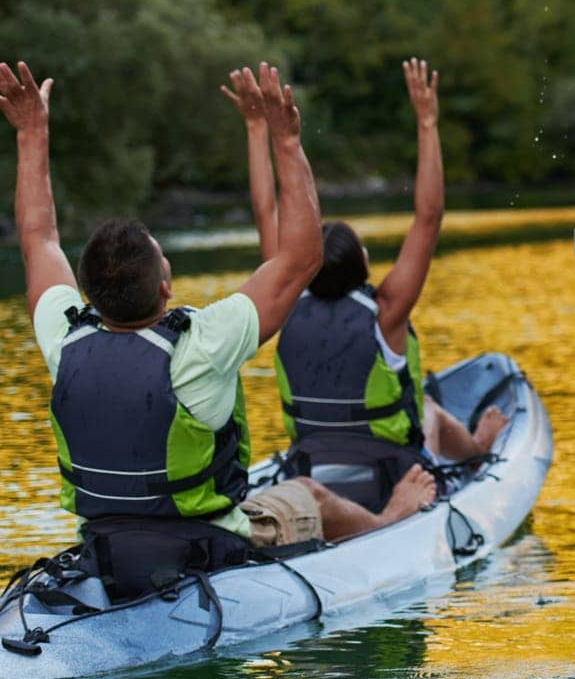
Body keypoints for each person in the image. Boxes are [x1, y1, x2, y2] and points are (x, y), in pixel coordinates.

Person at [0, 60, 436, 574]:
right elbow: (300, 257)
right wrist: (287, 141)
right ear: (165, 287)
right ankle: (392, 520)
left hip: (104, 543)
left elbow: (38, 239)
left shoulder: (62, 336)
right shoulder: (202, 344)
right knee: (310, 495)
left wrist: (31, 133)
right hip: (207, 545)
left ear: (87, 292)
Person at [225, 57, 505, 511]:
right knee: (427, 410)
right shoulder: (388, 312)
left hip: (309, 467)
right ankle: (475, 449)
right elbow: (428, 217)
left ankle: (473, 446)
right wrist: (427, 122)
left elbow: (265, 211)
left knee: (425, 409)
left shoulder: (283, 298)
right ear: (364, 263)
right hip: (390, 477)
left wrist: (258, 130)